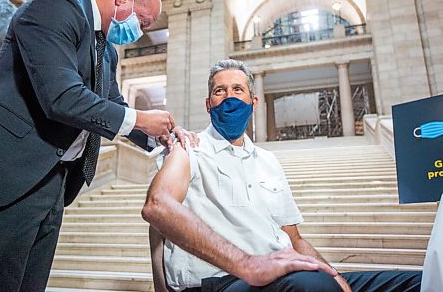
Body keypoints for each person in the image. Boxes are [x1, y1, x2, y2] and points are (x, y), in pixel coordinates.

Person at [0, 0, 195, 292]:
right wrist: (141, 119)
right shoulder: (56, 8)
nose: (138, 33)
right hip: (4, 172)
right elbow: (61, 97)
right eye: (141, 23)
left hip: (53, 183)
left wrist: (167, 135)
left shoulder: (107, 52)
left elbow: (112, 104)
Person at [141, 59, 422, 292]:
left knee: (419, 282)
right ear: (207, 103)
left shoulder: (268, 161)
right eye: (220, 91)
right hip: (223, 281)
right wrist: (250, 265)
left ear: (254, 101)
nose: (229, 97)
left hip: (286, 274)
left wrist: (334, 274)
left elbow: (294, 239)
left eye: (237, 89)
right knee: (312, 288)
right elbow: (158, 207)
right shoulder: (189, 147)